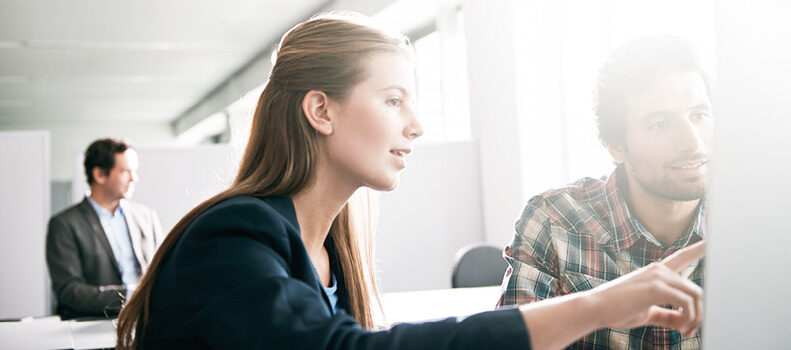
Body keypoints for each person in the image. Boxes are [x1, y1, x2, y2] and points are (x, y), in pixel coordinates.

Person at [116, 15, 704, 350]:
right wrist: (596, 307)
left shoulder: (329, 253)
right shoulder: (232, 238)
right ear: (321, 111)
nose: (416, 126)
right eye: (394, 100)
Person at [497, 36, 712, 349]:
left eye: (699, 115)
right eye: (660, 124)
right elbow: (511, 345)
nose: (693, 143)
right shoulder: (553, 220)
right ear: (615, 145)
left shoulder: (757, 224)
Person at [46, 138, 164, 319]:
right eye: (126, 171)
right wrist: (132, 297)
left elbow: (161, 271)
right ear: (100, 175)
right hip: (91, 329)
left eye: (135, 171)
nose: (134, 178)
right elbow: (69, 291)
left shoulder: (146, 216)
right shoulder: (65, 224)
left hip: (147, 324)